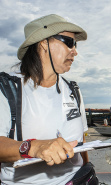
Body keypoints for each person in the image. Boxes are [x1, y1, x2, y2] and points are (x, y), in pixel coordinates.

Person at [0, 14, 89, 184]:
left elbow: (82, 144)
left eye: (75, 45)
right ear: (43, 43)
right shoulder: (7, 88)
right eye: (68, 42)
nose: (75, 51)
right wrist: (34, 147)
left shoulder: (73, 89)